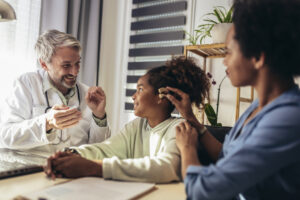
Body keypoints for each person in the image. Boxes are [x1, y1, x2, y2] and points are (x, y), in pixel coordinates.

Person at [166, 0, 300, 199]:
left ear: (257, 57)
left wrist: (187, 149)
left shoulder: (288, 118)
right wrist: (193, 120)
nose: (224, 60)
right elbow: (226, 155)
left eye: (229, 51)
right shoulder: (259, 106)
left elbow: (204, 190)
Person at [44, 56, 210, 183]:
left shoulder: (180, 128)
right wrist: (72, 154)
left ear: (162, 96)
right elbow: (106, 149)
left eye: (140, 89)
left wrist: (95, 168)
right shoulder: (136, 126)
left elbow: (167, 167)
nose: (133, 96)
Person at [0, 29, 110, 158]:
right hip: (31, 170)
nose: (74, 72)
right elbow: (5, 135)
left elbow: (98, 148)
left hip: (71, 170)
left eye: (77, 63)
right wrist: (46, 123)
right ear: (44, 64)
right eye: (66, 65)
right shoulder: (26, 84)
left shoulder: (87, 94)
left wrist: (99, 116)